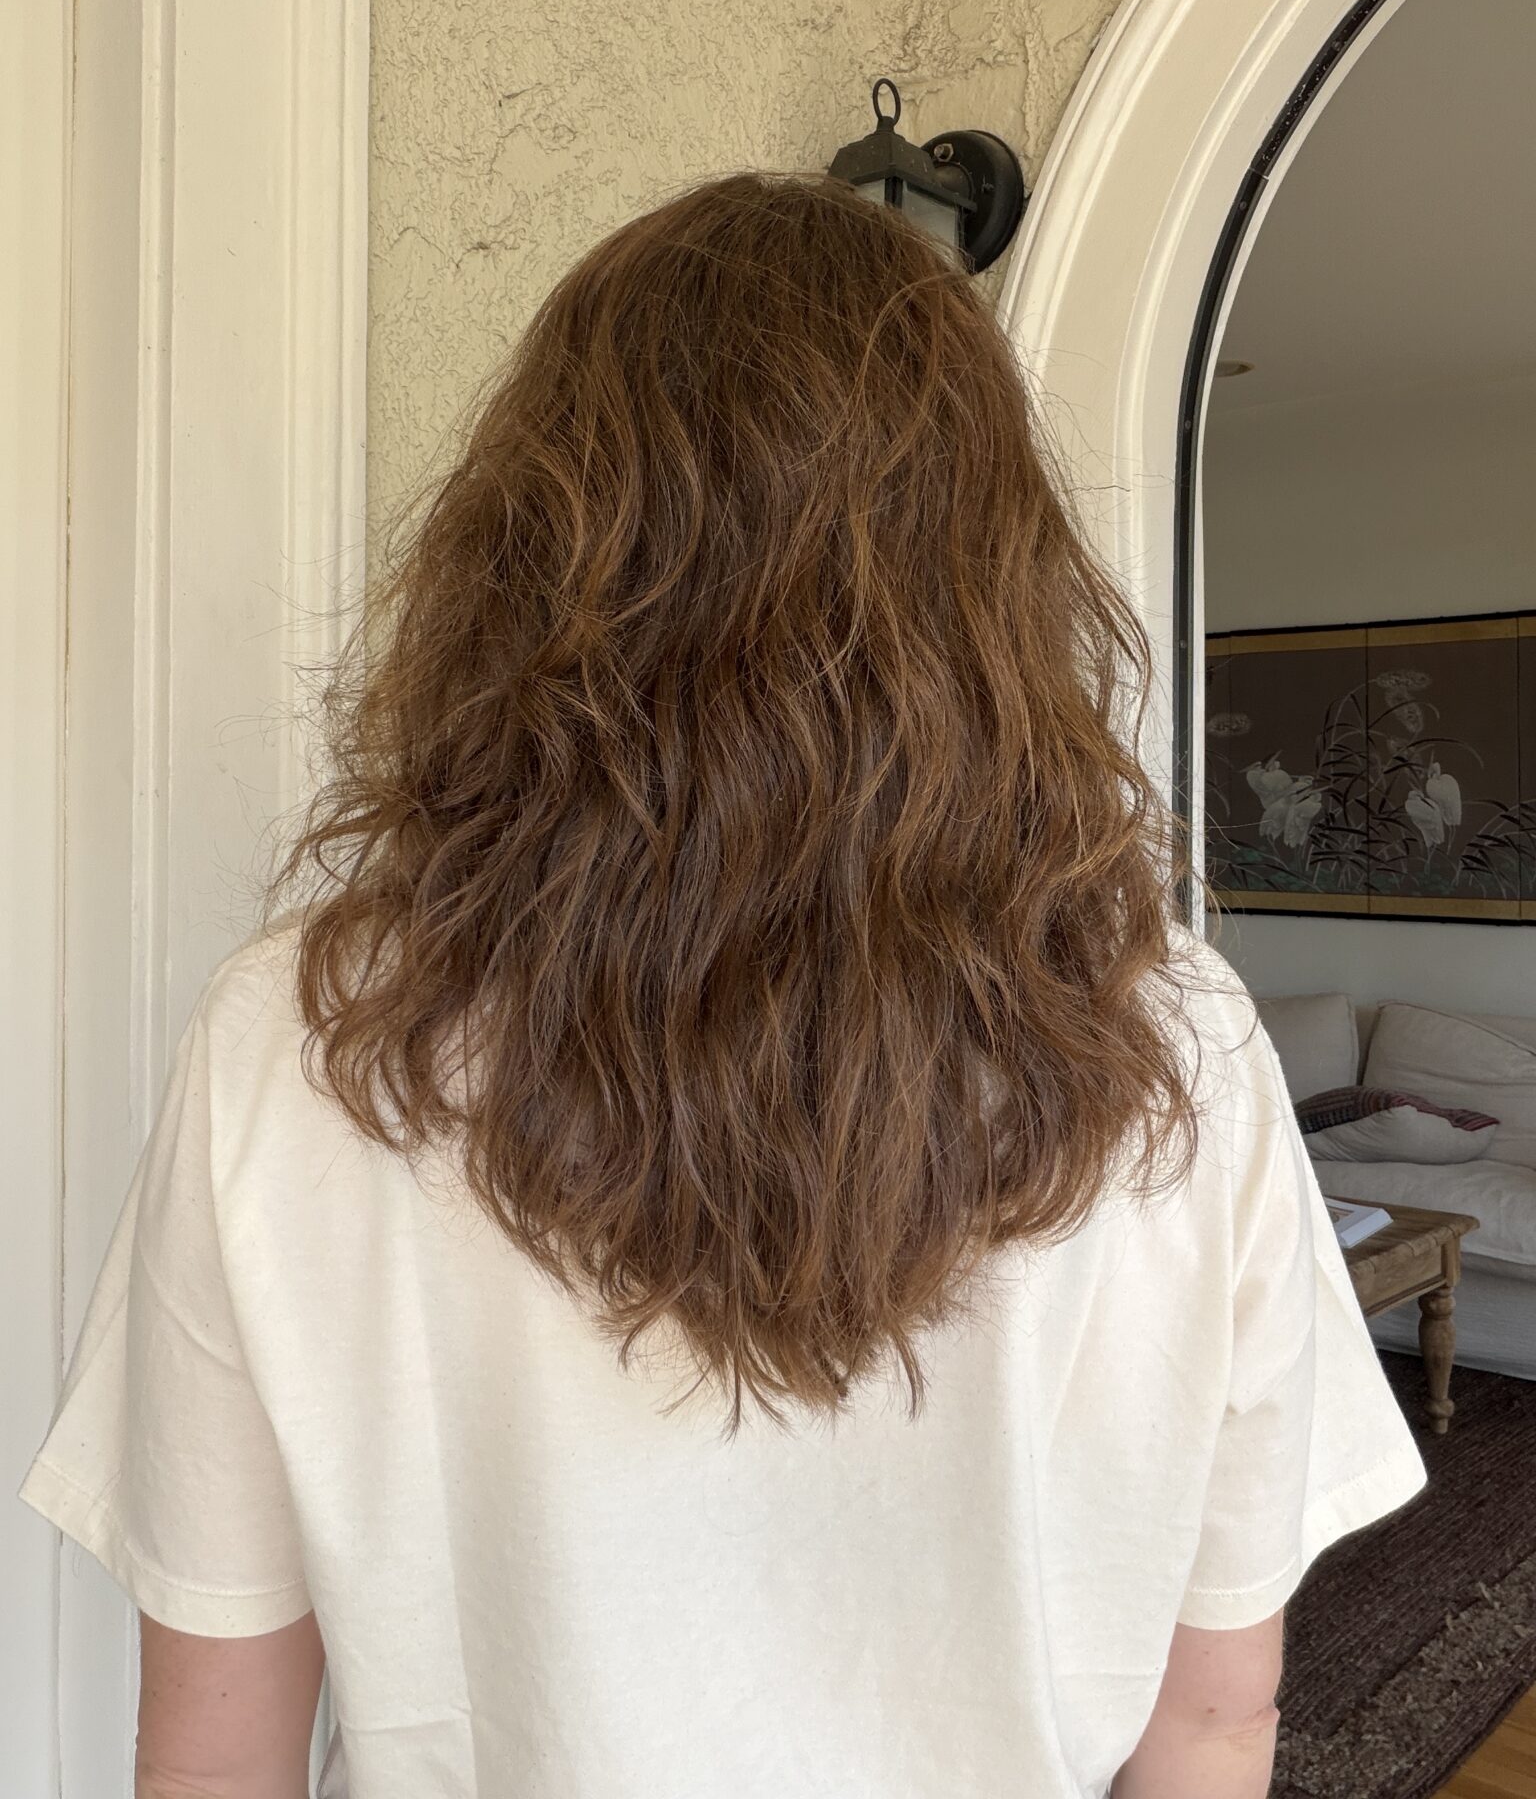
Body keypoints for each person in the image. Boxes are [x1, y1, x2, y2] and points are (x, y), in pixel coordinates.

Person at [21, 173, 1426, 1799]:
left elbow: (218, 1746)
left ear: (529, 557)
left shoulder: (304, 1039)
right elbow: (1208, 1724)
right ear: (993, 583)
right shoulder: (1171, 1045)